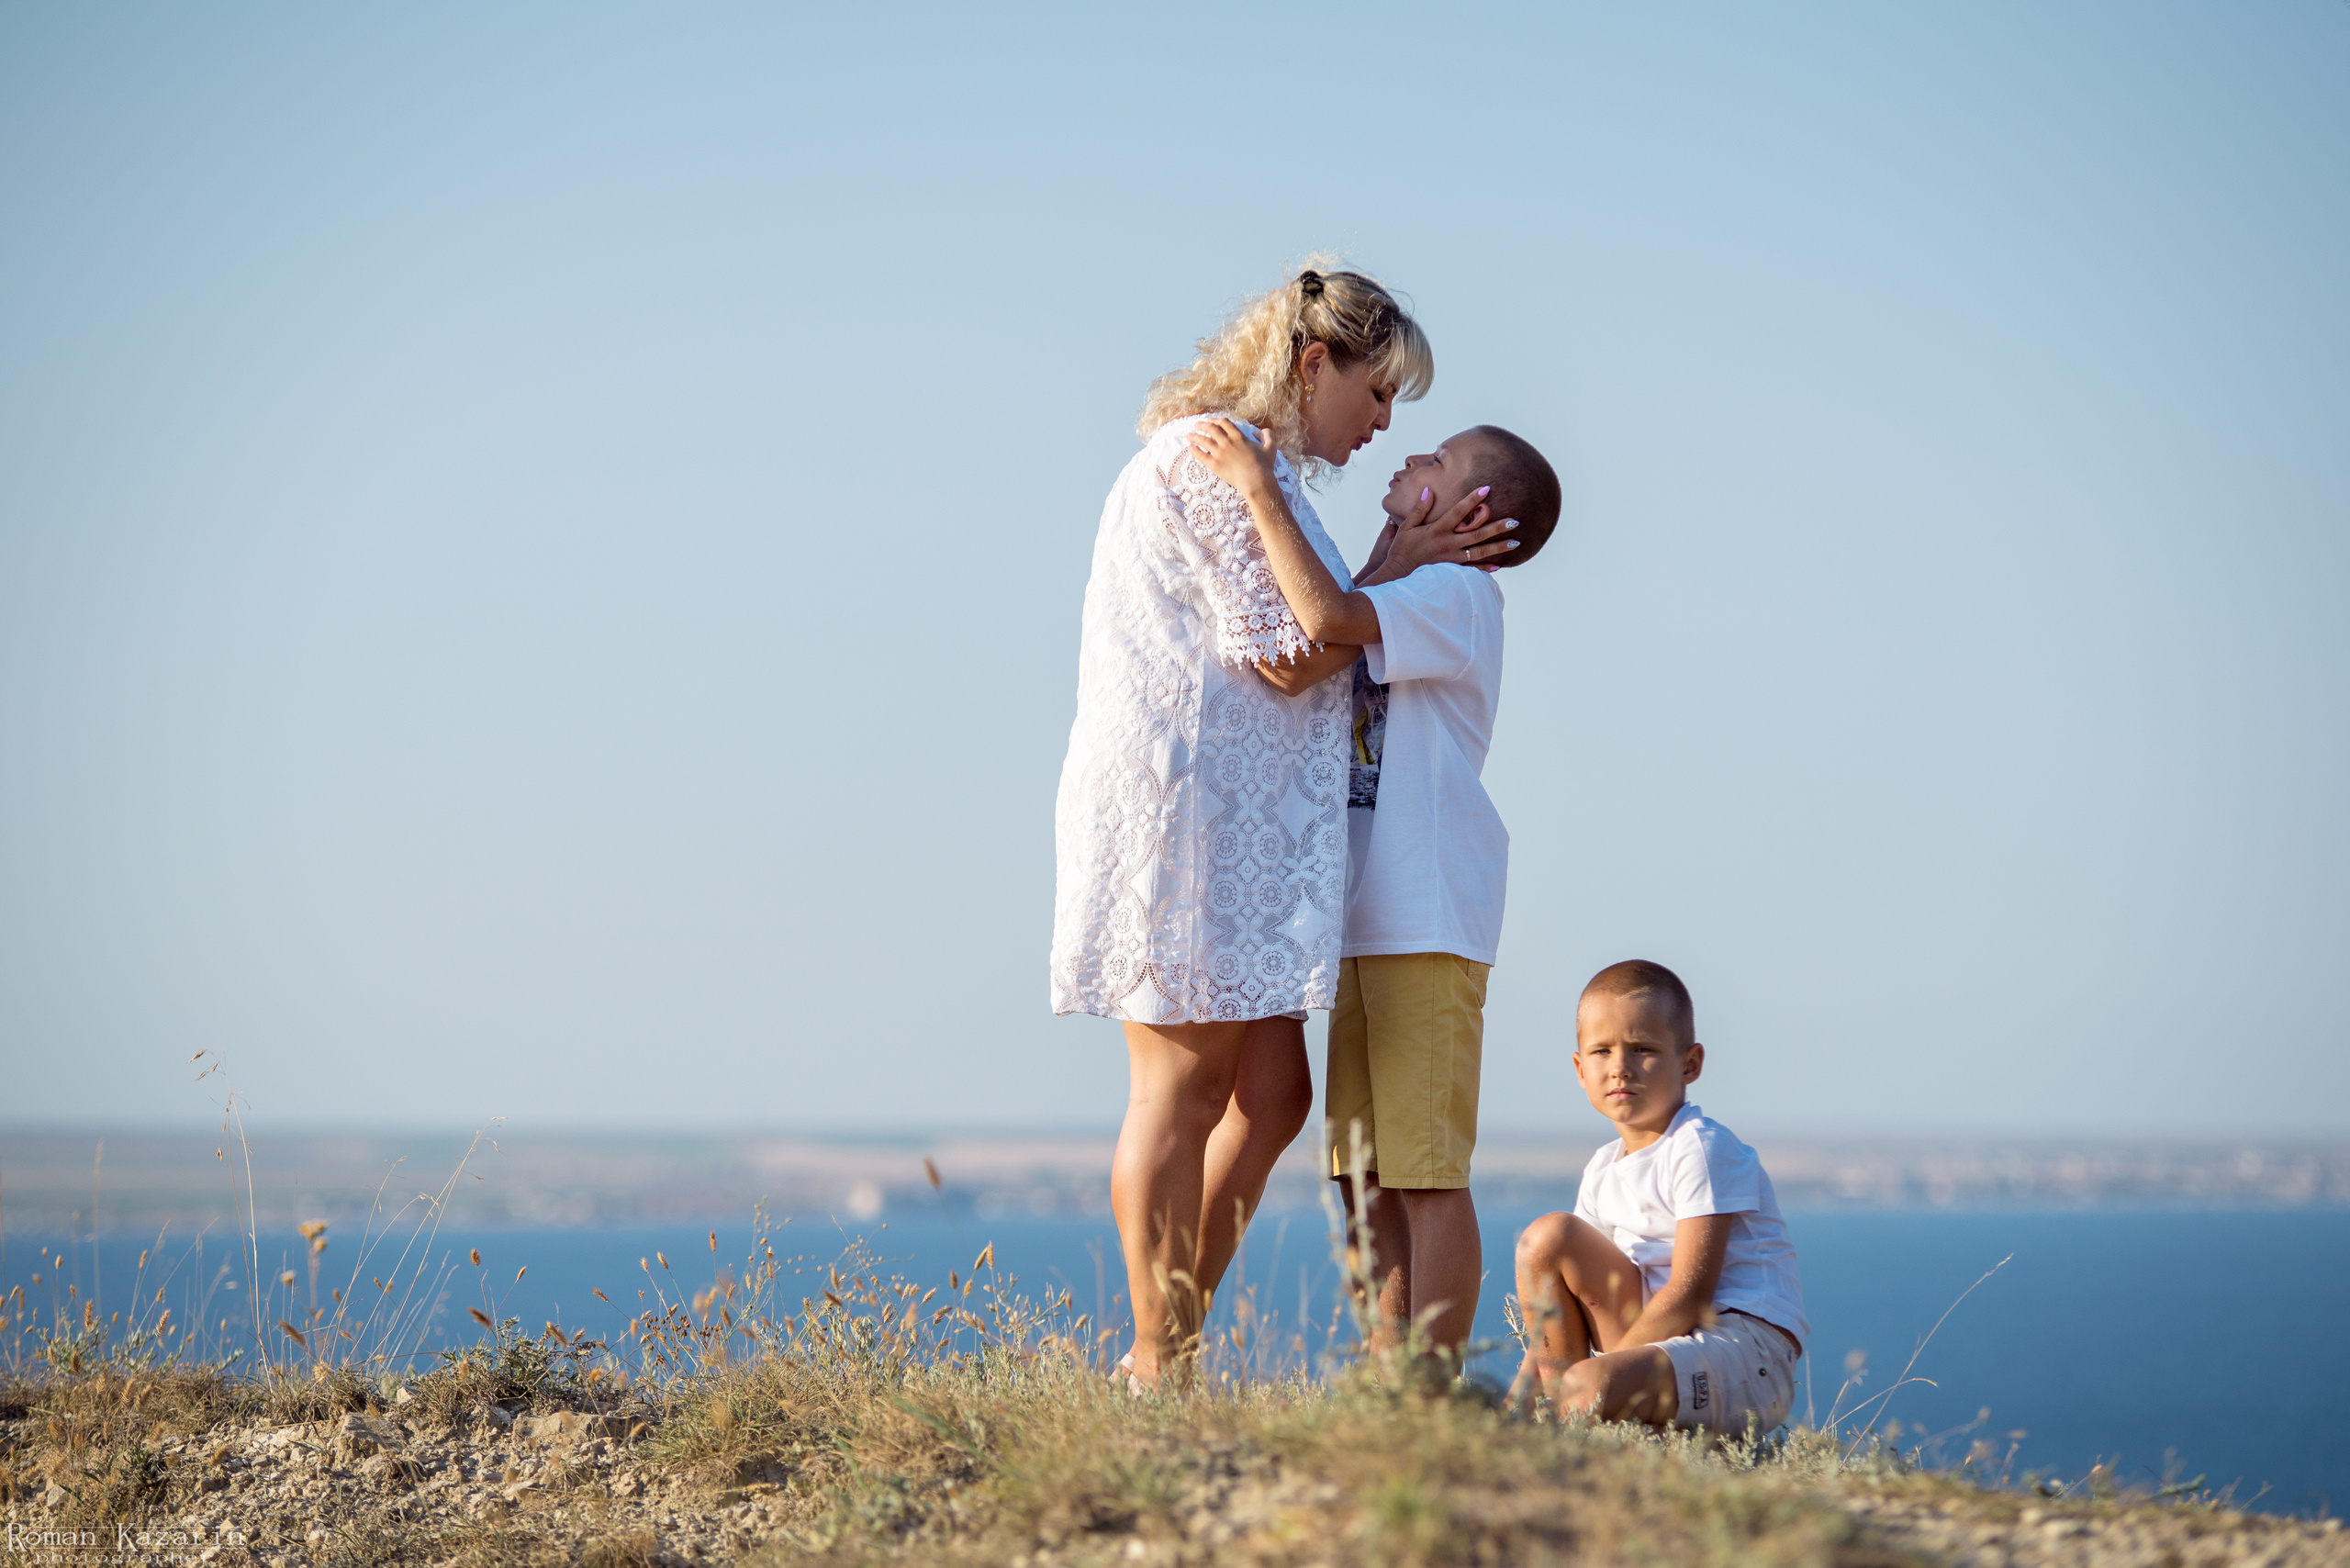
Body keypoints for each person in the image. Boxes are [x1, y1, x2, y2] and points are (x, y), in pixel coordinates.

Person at [1049, 262, 1514, 1386]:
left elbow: (1321, 631)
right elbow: (1302, 646)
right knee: (1181, 1086)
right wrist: (1384, 571)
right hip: (1190, 810)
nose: (1386, 422)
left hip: (1241, 819)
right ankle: (1162, 1358)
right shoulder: (1221, 463)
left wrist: (1386, 572)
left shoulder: (1264, 473)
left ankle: (1168, 1340)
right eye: (1378, 392)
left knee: (1275, 1095)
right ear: (1316, 365)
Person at [1183, 420, 1556, 1370]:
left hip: (1425, 915)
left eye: (1436, 460)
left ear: (1470, 508)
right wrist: (1390, 549)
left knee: (1424, 1171)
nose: (1409, 455)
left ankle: (1426, 1389)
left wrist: (1258, 487)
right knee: (1359, 1174)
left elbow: (1332, 620)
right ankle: (1389, 1372)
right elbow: (1314, 643)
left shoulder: (1459, 593)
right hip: (1361, 922)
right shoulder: (1414, 578)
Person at [1508, 960, 1808, 1435]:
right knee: (1547, 1239)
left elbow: (1690, 1296)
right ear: (1579, 1068)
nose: (1620, 1067)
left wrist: (1599, 1376)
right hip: (1653, 1342)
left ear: (1690, 1063)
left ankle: (1568, 1421)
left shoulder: (1702, 1146)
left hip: (1743, 1352)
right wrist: (1517, 1404)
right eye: (1602, 1051)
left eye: (1643, 1049)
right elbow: (1553, 1320)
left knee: (1586, 1390)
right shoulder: (1603, 1168)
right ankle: (1549, 1429)